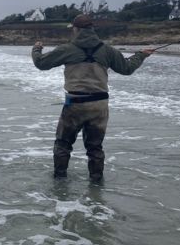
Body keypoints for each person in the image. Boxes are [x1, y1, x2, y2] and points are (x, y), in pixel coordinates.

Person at [31, 14, 154, 182]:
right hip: (99, 105)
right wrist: (141, 55)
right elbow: (126, 68)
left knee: (63, 144)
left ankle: (59, 181)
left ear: (76, 29)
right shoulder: (107, 50)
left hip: (75, 104)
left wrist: (37, 49)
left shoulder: (67, 49)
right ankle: (96, 184)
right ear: (92, 29)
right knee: (95, 147)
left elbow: (41, 64)